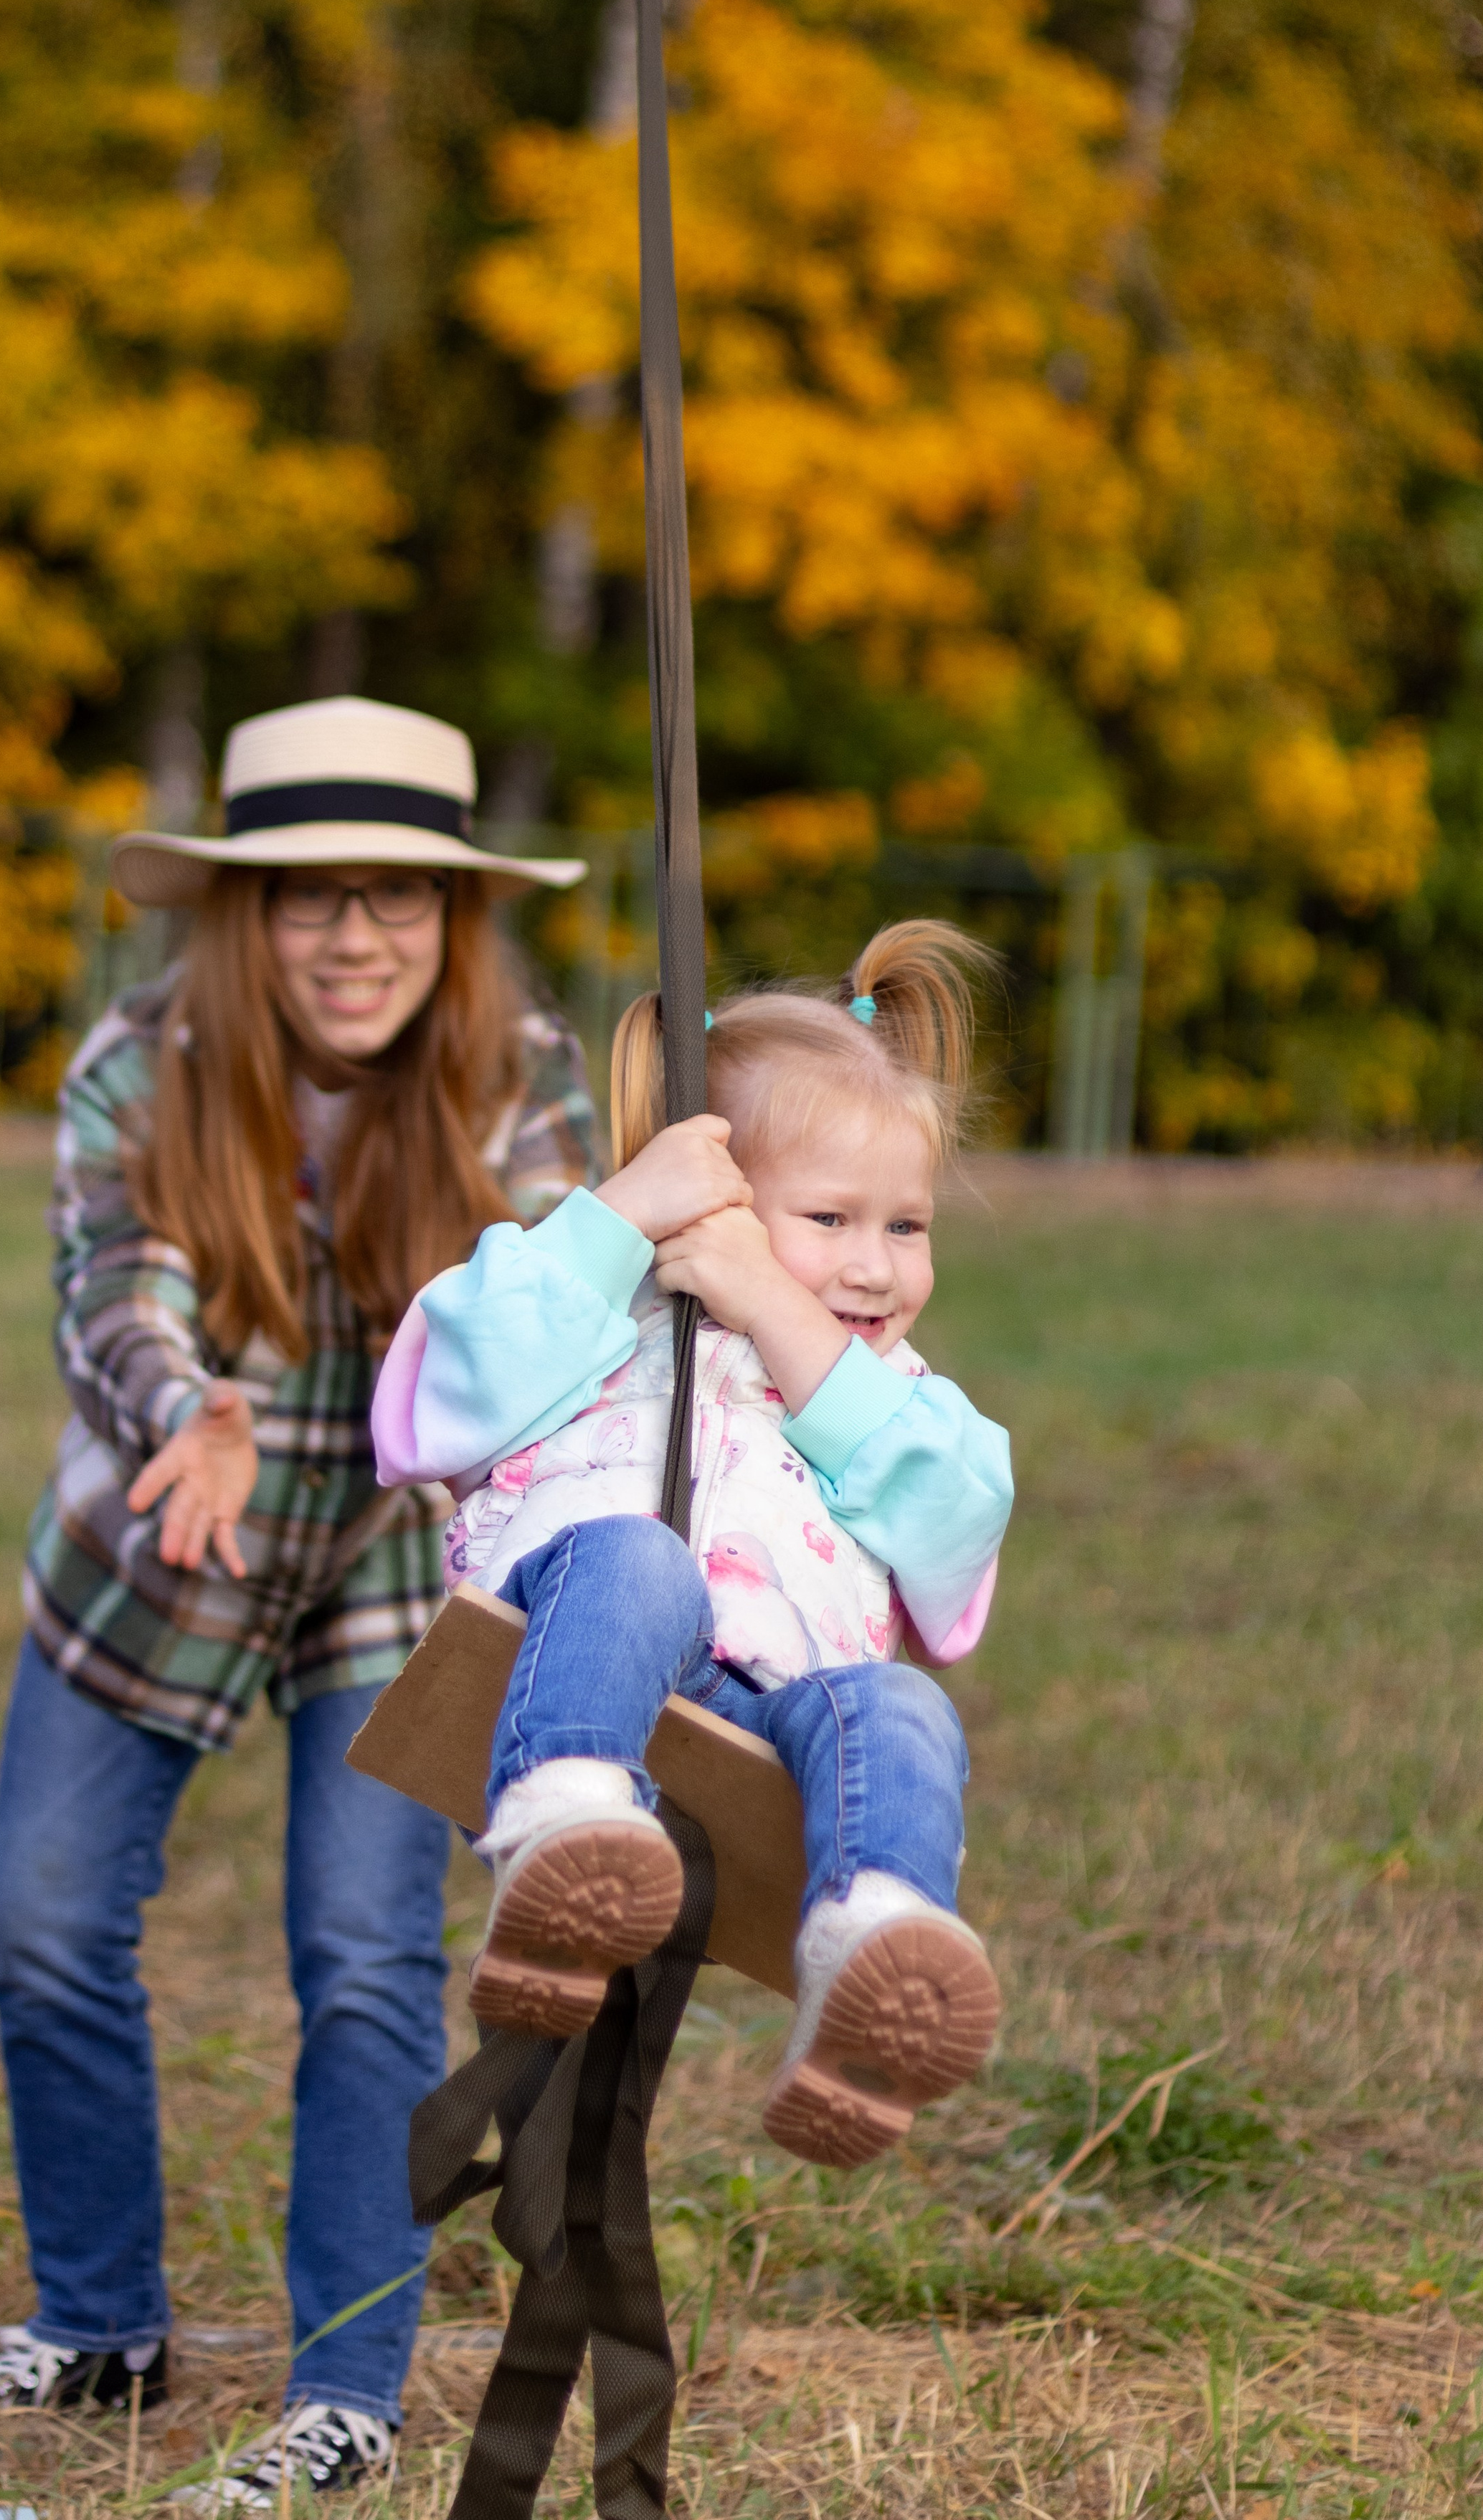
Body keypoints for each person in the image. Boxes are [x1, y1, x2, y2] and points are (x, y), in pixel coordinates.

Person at [0, 697, 595, 2510]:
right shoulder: (138, 1060)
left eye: (396, 901)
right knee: (43, 1915)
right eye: (303, 898)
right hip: (159, 1557)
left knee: (360, 1958)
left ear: (453, 919)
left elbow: (574, 1284)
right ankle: (100, 2329)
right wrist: (175, 1396)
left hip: (381, 1575)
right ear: (237, 915)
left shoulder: (521, 1074)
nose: (352, 939)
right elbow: (110, 1274)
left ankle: (347, 2384)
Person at [370, 919, 1014, 2171]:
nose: (875, 1268)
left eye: (908, 1227)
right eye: (830, 1218)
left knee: (899, 1708)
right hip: (565, 1666)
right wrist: (618, 1219)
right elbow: (439, 1391)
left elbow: (956, 1522)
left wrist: (779, 1305)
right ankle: (562, 1840)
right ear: (710, 1202)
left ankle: (869, 1953)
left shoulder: (899, 1397)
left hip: (752, 1727)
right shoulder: (598, 1321)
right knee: (641, 1560)